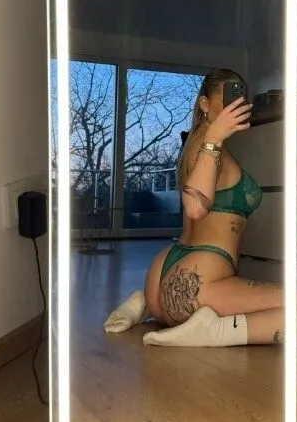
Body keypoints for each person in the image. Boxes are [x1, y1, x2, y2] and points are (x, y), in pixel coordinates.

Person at [104, 68, 285, 347]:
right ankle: (214, 330)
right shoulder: (208, 144)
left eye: (240, 98)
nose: (235, 106)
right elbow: (195, 208)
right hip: (197, 284)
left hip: (165, 276)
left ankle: (146, 304)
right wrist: (214, 138)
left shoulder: (195, 142)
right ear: (204, 104)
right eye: (228, 98)